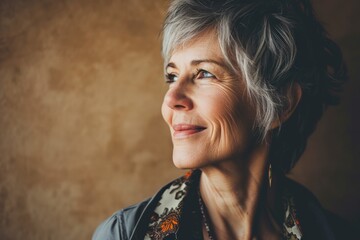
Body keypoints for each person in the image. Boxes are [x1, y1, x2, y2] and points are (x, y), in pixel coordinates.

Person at [93, 0, 352, 239]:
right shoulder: (123, 235)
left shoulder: (335, 234)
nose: (171, 99)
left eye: (204, 73)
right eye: (172, 76)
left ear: (280, 102)